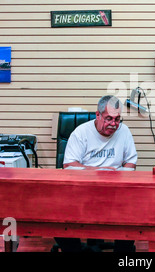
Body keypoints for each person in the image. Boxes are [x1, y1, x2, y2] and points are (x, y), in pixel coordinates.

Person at [55, 95, 137, 252]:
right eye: (109, 119)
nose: (114, 124)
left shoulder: (124, 131)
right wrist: (100, 172)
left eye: (117, 119)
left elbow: (131, 161)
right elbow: (69, 165)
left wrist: (122, 177)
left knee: (132, 213)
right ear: (98, 115)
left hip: (116, 190)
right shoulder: (81, 133)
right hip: (83, 190)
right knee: (58, 216)